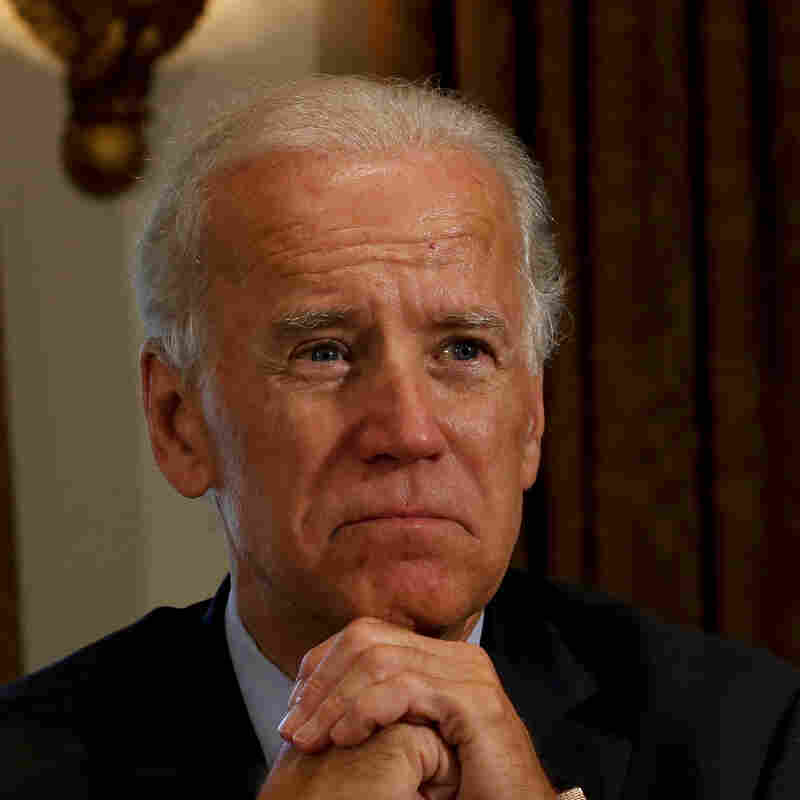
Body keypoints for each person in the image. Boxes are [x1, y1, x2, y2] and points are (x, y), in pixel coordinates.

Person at [2, 75, 798, 800]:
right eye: (325, 352)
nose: (410, 433)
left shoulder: (750, 739)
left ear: (532, 416)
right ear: (179, 422)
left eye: (463, 350)